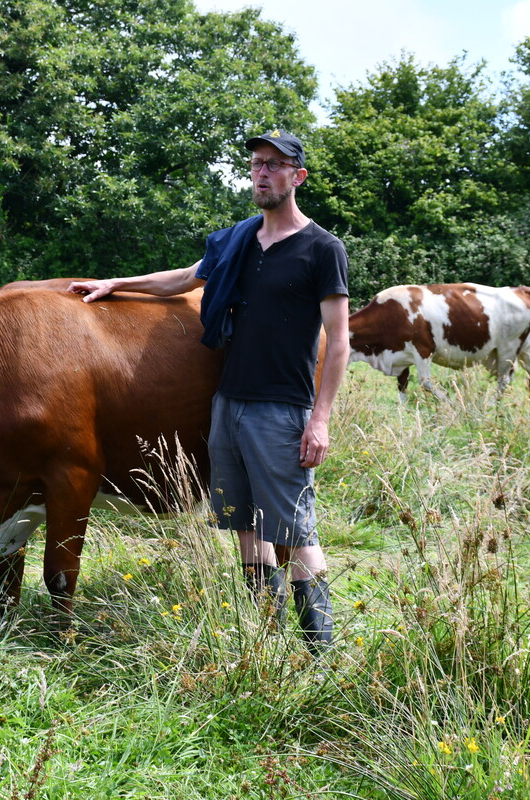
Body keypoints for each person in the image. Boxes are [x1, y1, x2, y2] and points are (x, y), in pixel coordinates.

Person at [68, 130, 350, 649]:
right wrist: (116, 285)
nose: (262, 173)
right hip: (229, 404)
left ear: (297, 176)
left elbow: (339, 342)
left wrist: (321, 419)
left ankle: (321, 654)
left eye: (275, 165)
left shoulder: (321, 249)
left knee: (294, 531)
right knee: (245, 524)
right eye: (256, 164)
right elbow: (182, 279)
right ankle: (265, 640)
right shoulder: (239, 241)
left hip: (282, 408)